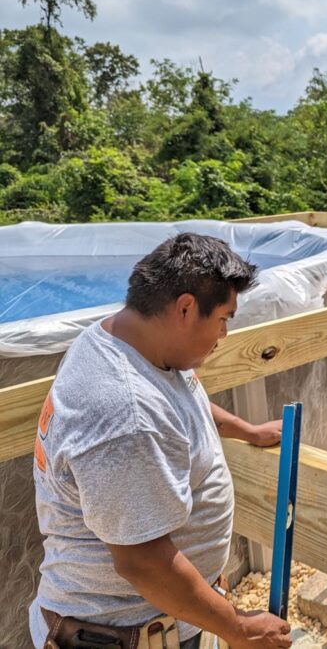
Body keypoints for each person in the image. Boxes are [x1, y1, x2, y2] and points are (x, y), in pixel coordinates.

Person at [30, 233, 293, 649]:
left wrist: (245, 430)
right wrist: (237, 628)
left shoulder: (129, 341)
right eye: (224, 318)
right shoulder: (125, 416)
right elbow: (143, 563)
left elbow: (183, 395)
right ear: (186, 308)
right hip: (123, 632)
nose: (224, 334)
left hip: (163, 620)